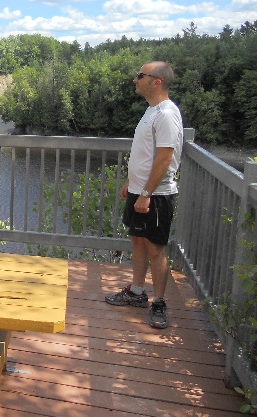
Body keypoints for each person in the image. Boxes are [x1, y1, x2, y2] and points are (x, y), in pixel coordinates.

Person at [105, 61, 183, 329]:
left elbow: (164, 158)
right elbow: (144, 153)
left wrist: (147, 193)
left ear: (156, 81)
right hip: (140, 191)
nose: (134, 80)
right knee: (137, 241)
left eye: (140, 75)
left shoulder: (166, 115)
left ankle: (159, 302)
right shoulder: (151, 111)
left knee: (156, 249)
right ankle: (137, 292)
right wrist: (131, 181)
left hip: (156, 195)